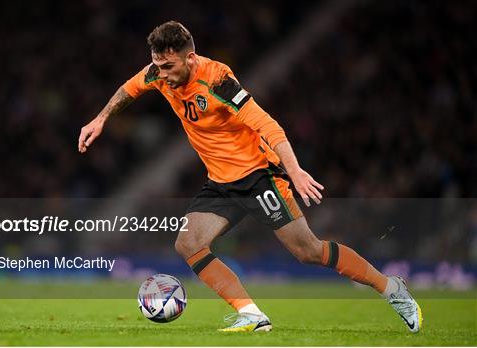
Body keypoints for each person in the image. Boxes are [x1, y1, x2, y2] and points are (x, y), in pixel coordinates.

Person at [78, 21, 422, 333]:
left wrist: (295, 171)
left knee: (309, 252)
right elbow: (128, 89)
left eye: (169, 66)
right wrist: (100, 119)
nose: (162, 74)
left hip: (259, 176)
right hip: (221, 182)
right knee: (188, 242)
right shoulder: (157, 72)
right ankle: (252, 315)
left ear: (191, 58)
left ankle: (391, 288)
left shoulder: (218, 81)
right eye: (157, 66)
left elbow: (268, 125)